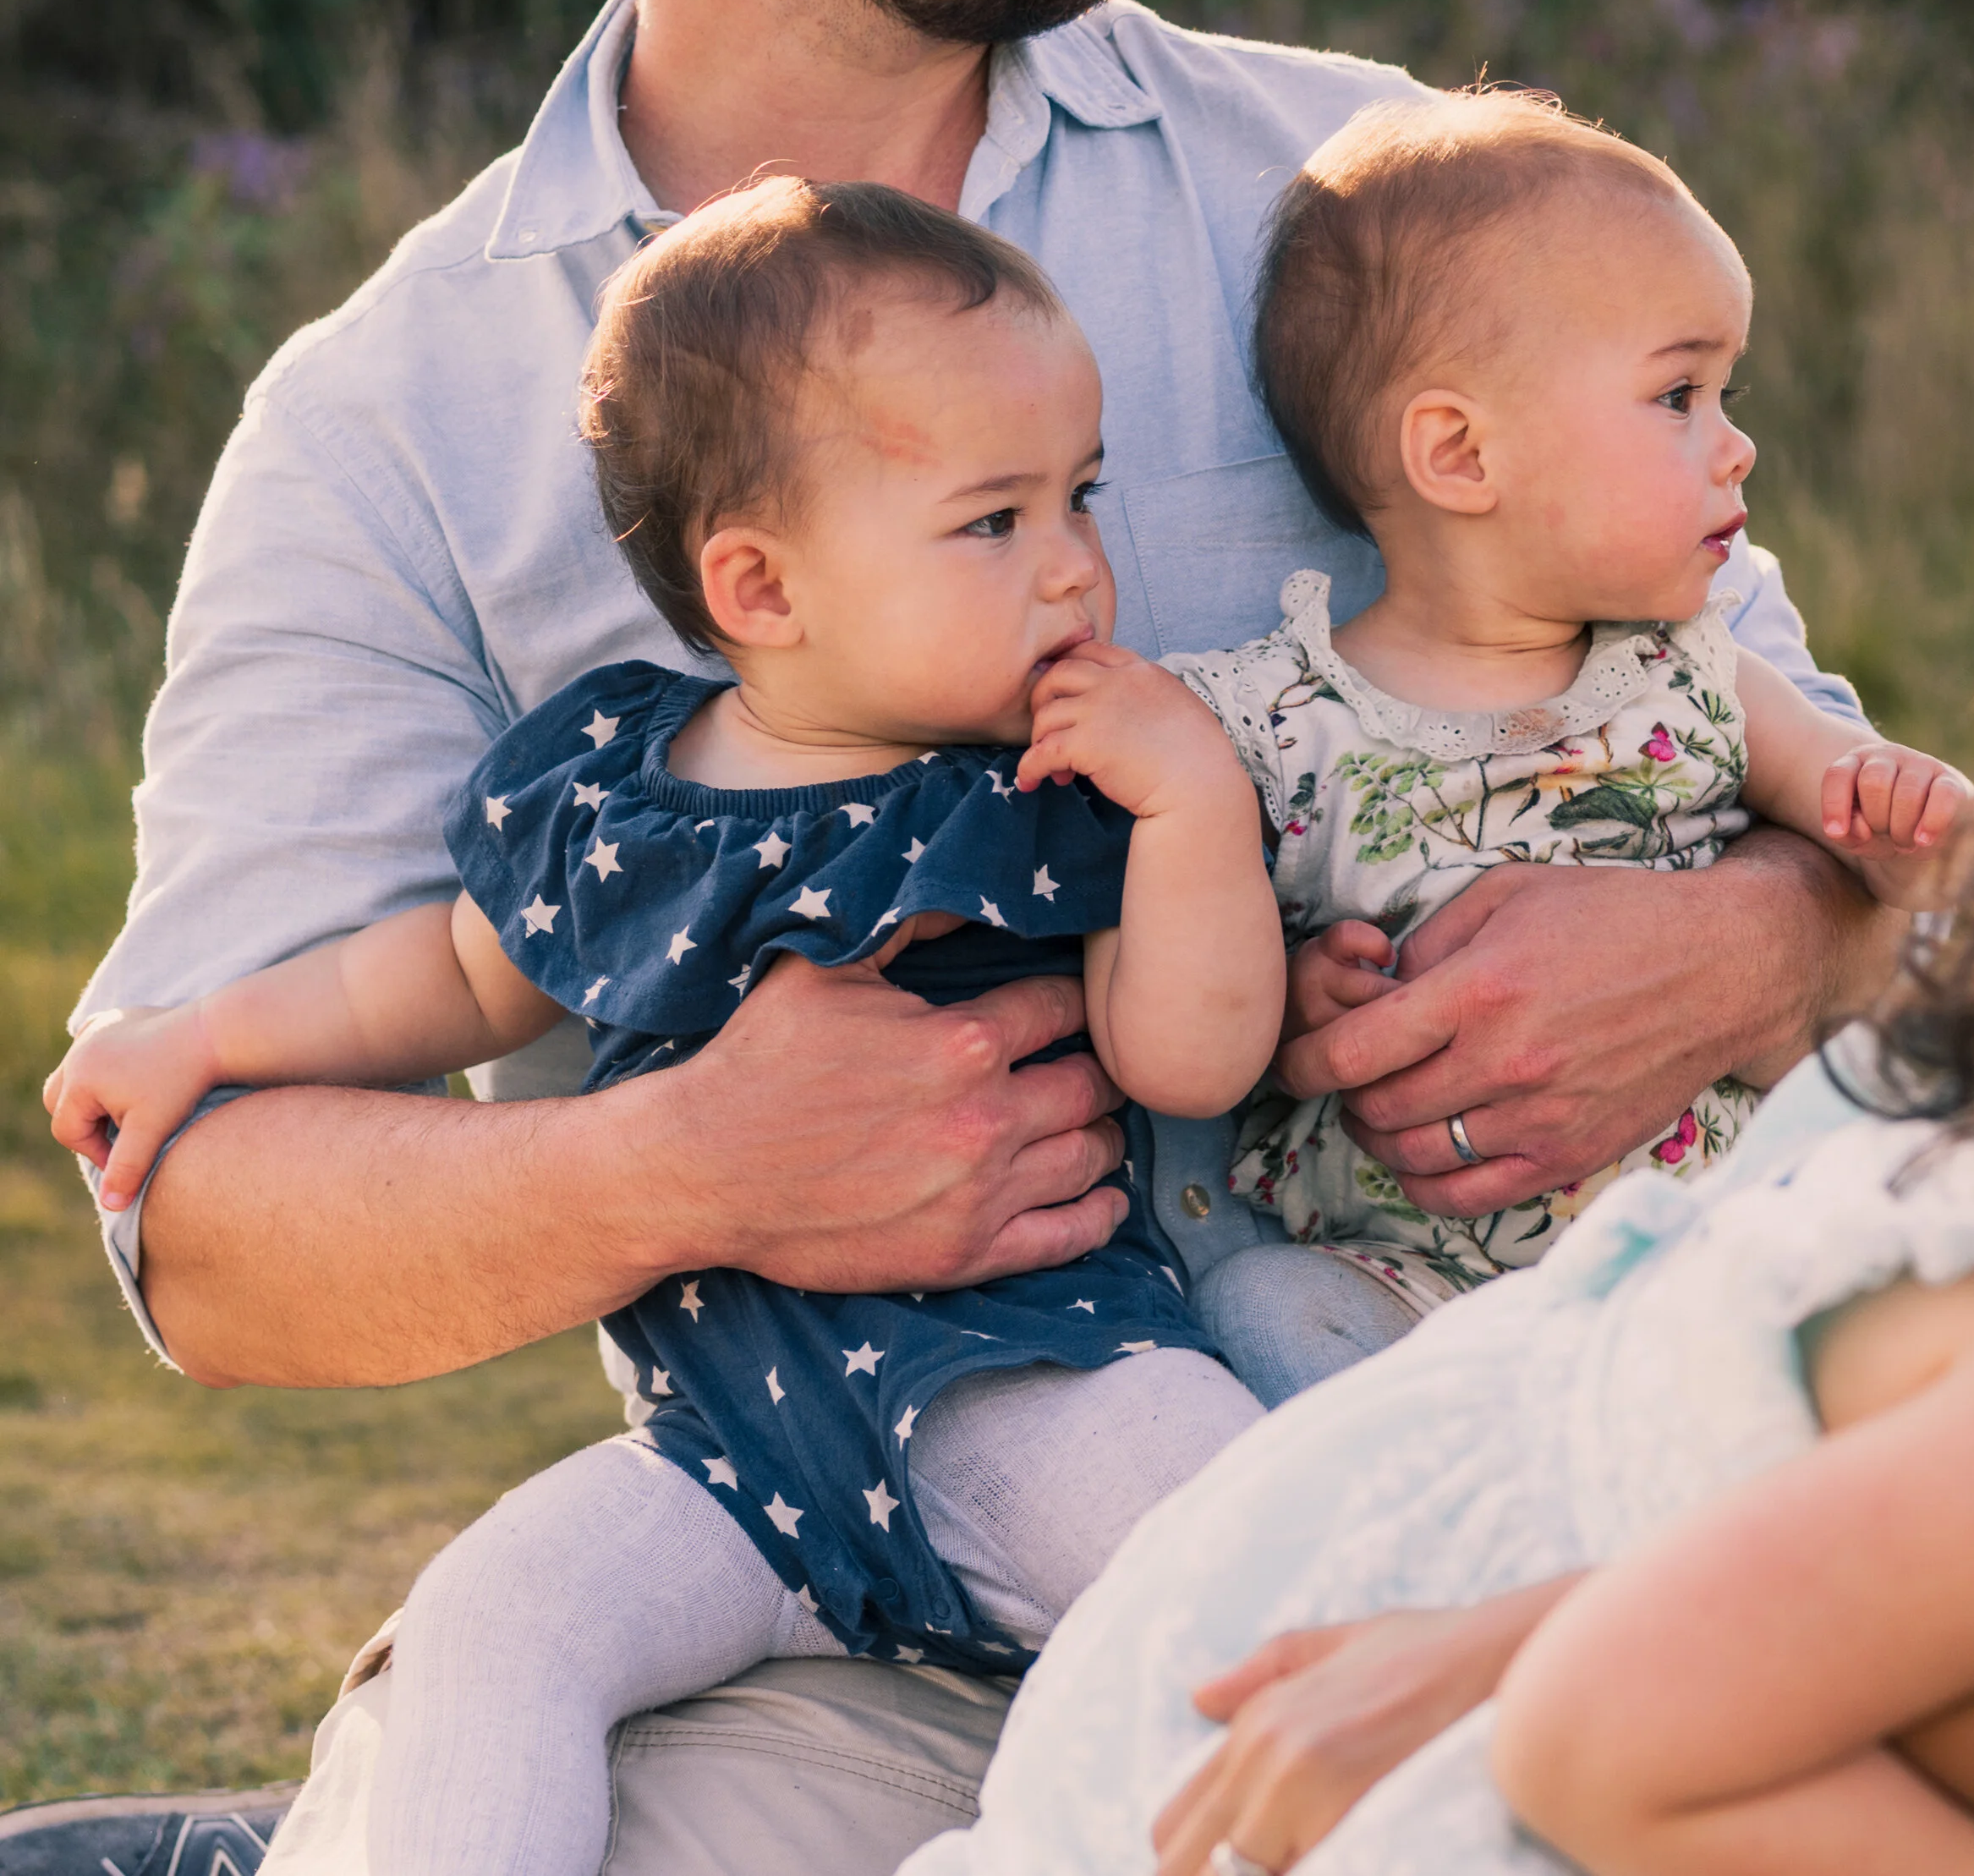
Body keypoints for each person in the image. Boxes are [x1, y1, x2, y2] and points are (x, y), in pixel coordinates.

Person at [23, 0, 1889, 1876]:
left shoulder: (1382, 204)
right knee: (509, 1770)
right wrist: (688, 1165)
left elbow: (1895, 855)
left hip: (1474, 1525)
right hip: (852, 1601)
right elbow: (206, 1228)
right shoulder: (395, 418)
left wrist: (1754, 939)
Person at [49, 176, 1283, 1876]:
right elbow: (437, 980)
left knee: (1251, 1574)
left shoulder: (1052, 782)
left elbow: (1189, 1056)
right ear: (760, 586)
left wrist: (1196, 808)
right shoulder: (612, 790)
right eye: (993, 520)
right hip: (731, 1459)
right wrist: (202, 1040)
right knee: (495, 1622)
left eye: (1081, 494)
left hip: (1044, 1387)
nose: (1076, 563)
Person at [902, 659, 1974, 1876]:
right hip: (1308, 1730)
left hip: (1348, 1677)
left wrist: (1507, 1635)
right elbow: (1612, 1732)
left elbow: (1662, 1693)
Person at [1165, 89, 1973, 1320]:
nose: (1737, 446)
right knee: (1273, 1307)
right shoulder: (1279, 724)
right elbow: (1214, 989)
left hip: (1716, 1234)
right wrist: (1295, 996)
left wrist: (1905, 819)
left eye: (1727, 395)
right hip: (1416, 1276)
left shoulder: (1691, 670)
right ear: (1461, 455)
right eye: (1679, 395)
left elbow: (1894, 842)